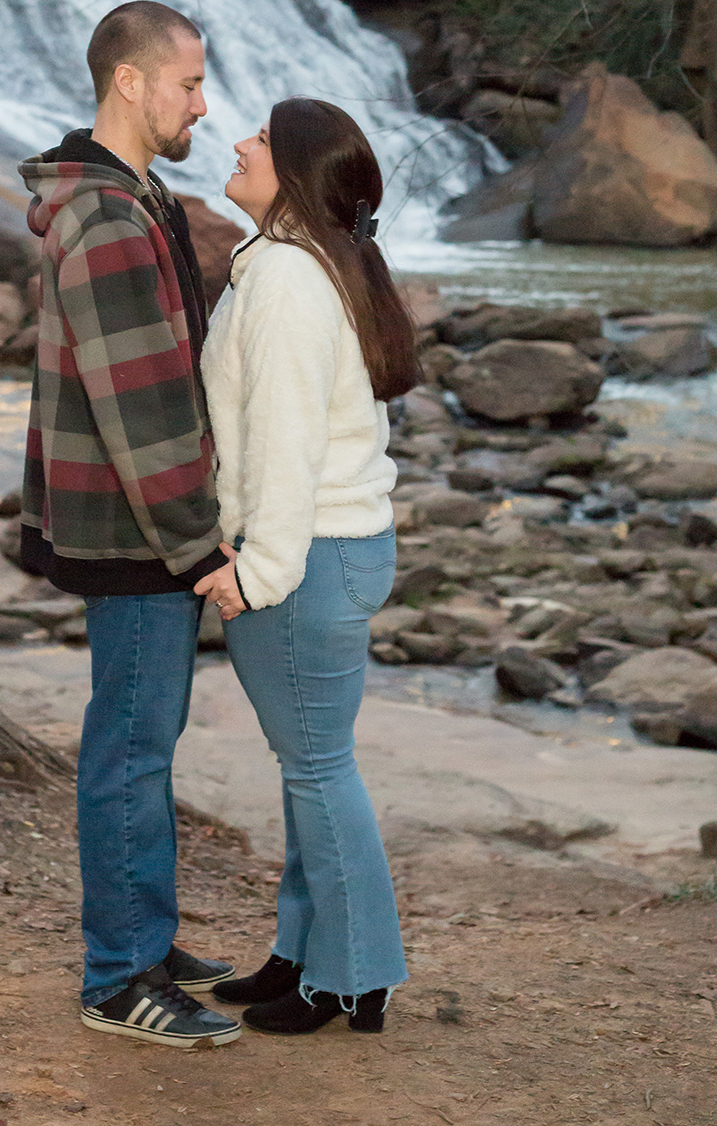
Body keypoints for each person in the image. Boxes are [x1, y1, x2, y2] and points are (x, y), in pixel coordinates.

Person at [18, 0, 242, 1048]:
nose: (203, 102)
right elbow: (142, 400)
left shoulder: (131, 195)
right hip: (138, 530)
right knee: (132, 749)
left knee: (141, 738)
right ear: (130, 83)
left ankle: (144, 941)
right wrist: (200, 543)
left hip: (135, 523)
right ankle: (118, 977)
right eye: (190, 83)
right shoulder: (107, 216)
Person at [195, 97, 416, 1035]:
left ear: (291, 175)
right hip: (336, 549)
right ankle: (304, 953)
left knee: (320, 770)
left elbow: (285, 442)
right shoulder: (302, 267)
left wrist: (259, 570)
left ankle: (353, 977)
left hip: (308, 559)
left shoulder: (286, 278)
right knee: (308, 768)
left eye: (259, 137)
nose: (238, 142)